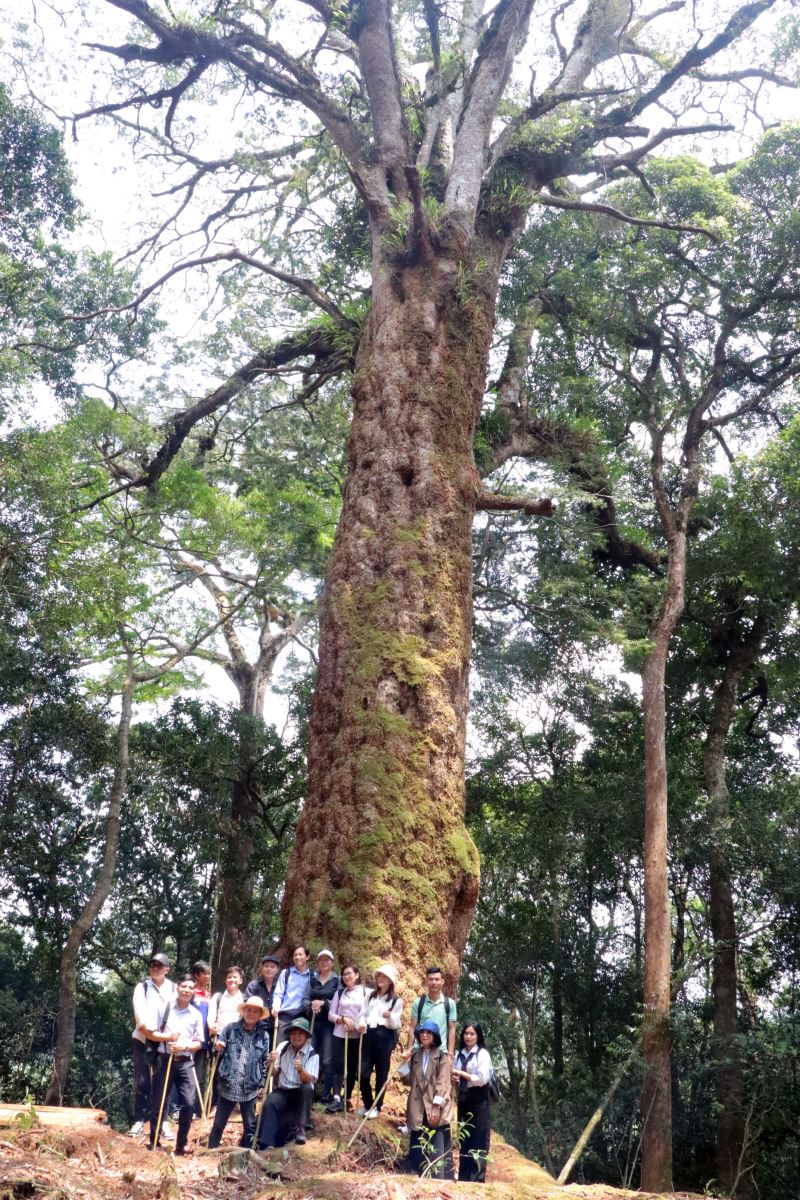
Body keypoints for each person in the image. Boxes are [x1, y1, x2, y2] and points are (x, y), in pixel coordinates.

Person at [146, 976, 204, 1155]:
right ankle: (154, 1140)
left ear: (194, 991)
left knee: (188, 1102)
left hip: (185, 1062)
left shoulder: (196, 1014)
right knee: (160, 1101)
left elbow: (200, 1042)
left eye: (190, 988)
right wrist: (167, 1038)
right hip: (164, 1060)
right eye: (184, 986)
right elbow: (150, 1032)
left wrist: (184, 1046)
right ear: (177, 988)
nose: (187, 990)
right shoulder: (165, 1008)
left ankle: (181, 1143)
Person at [207, 996, 271, 1149]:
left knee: (249, 1126)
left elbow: (264, 1063)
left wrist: (261, 1084)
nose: (251, 1014)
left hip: (249, 1087)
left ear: (260, 1015)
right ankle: (210, 1152)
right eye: (249, 1010)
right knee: (218, 1124)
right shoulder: (230, 1029)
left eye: (255, 1011)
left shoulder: (264, 1036)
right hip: (228, 1083)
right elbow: (216, 1054)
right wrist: (217, 1048)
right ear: (244, 1011)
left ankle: (247, 1156)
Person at [129, 952, 176, 1139]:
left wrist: (167, 1036)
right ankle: (139, 1119)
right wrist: (150, 1033)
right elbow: (139, 1012)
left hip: (165, 1041)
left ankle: (162, 1120)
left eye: (159, 965)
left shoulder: (174, 988)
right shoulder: (142, 987)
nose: (155, 968)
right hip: (143, 1038)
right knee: (142, 1080)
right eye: (153, 965)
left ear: (167, 969)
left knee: (163, 1082)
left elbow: (179, 1011)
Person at [256, 1017, 319, 1149]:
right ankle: (267, 1142)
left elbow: (310, 1080)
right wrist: (270, 1063)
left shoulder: (312, 1054)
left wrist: (301, 1070)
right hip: (284, 1091)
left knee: (306, 1089)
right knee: (271, 1101)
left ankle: (300, 1129)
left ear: (306, 1036)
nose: (296, 1037)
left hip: (300, 1092)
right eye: (294, 1033)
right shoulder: (282, 1047)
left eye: (300, 1033)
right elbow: (272, 1073)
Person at [403, 1020, 455, 1179]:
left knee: (436, 1140)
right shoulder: (416, 1056)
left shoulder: (441, 1057)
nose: (425, 1035)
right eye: (422, 1032)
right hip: (418, 1106)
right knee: (417, 1139)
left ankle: (437, 1177)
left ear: (435, 1036)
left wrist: (436, 1106)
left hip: (435, 1105)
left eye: (429, 1033)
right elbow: (406, 1080)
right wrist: (404, 1062)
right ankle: (414, 1174)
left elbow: (444, 1082)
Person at [357, 963, 403, 1119]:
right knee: (362, 1072)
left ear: (391, 981)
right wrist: (361, 1023)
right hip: (368, 1034)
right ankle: (368, 1104)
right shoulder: (370, 995)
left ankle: (377, 1106)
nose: (381, 979)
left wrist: (389, 1017)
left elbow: (397, 1023)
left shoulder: (396, 1001)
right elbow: (362, 1013)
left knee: (382, 1073)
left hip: (385, 1036)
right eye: (379, 976)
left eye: (385, 977)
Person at [453, 1022, 493, 1182]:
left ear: (478, 1036)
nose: (468, 1037)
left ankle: (477, 1178)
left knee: (479, 1137)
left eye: (472, 1034)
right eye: (466, 1034)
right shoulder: (458, 1054)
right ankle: (464, 1176)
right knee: (465, 1137)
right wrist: (455, 1078)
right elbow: (456, 1076)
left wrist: (462, 1074)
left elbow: (482, 1078)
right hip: (463, 1099)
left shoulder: (482, 1054)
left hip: (479, 1100)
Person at [325, 964, 367, 1113]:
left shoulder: (365, 992)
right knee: (339, 1065)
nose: (346, 976)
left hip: (357, 1036)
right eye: (344, 974)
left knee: (351, 1067)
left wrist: (358, 1024)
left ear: (357, 974)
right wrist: (342, 1019)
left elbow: (368, 1013)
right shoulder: (339, 993)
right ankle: (336, 1097)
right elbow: (331, 1014)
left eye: (349, 973)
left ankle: (346, 1097)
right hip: (339, 1034)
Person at [309, 949, 339, 1106]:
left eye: (327, 960)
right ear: (317, 962)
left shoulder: (337, 980)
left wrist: (324, 1003)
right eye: (321, 959)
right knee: (310, 1056)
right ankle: (309, 1093)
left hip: (329, 1025)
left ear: (332, 963)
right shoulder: (312, 980)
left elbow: (340, 998)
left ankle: (326, 1095)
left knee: (327, 1059)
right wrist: (311, 1004)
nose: (324, 962)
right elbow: (304, 999)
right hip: (313, 1022)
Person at [407, 966, 457, 1057]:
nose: (434, 982)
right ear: (426, 981)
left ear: (442, 981)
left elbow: (452, 1029)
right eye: (431, 979)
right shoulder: (418, 1003)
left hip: (441, 1051)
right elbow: (412, 1028)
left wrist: (450, 1054)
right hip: (419, 1050)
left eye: (437, 979)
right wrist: (409, 1051)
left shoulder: (449, 1004)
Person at [273, 945, 312, 1042]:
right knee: (280, 1048)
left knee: (299, 1049)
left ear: (307, 957)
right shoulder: (286, 973)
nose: (297, 957)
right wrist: (275, 1006)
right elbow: (278, 993)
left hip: (302, 1017)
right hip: (285, 1017)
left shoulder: (313, 976)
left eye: (300, 954)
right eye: (295, 955)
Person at [190, 960, 212, 1117]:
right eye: (206, 973)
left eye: (209, 973)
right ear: (197, 975)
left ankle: (198, 1109)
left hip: (204, 1041)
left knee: (199, 1074)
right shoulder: (190, 992)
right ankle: (180, 1109)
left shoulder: (208, 994)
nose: (209, 976)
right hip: (190, 1040)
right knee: (185, 1073)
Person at [245, 954, 281, 1044]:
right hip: (256, 1028)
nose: (269, 969)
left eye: (272, 967)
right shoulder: (253, 985)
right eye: (266, 966)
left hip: (276, 1028)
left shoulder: (280, 987)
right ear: (262, 968)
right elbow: (248, 1006)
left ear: (277, 970)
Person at [208, 966, 246, 1038]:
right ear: (226, 981)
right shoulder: (218, 997)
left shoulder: (245, 999)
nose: (232, 979)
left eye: (235, 977)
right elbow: (211, 1016)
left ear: (240, 981)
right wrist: (211, 1026)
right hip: (219, 1036)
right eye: (229, 977)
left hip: (238, 1037)